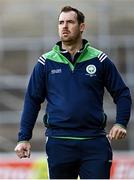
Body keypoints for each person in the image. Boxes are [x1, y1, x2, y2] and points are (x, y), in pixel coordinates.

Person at [15, 6, 132, 179]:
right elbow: (32, 101)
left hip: (94, 142)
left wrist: (121, 123)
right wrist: (23, 138)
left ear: (82, 27)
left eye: (70, 22)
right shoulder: (45, 63)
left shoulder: (100, 60)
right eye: (61, 22)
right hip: (59, 143)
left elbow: (122, 93)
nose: (64, 26)